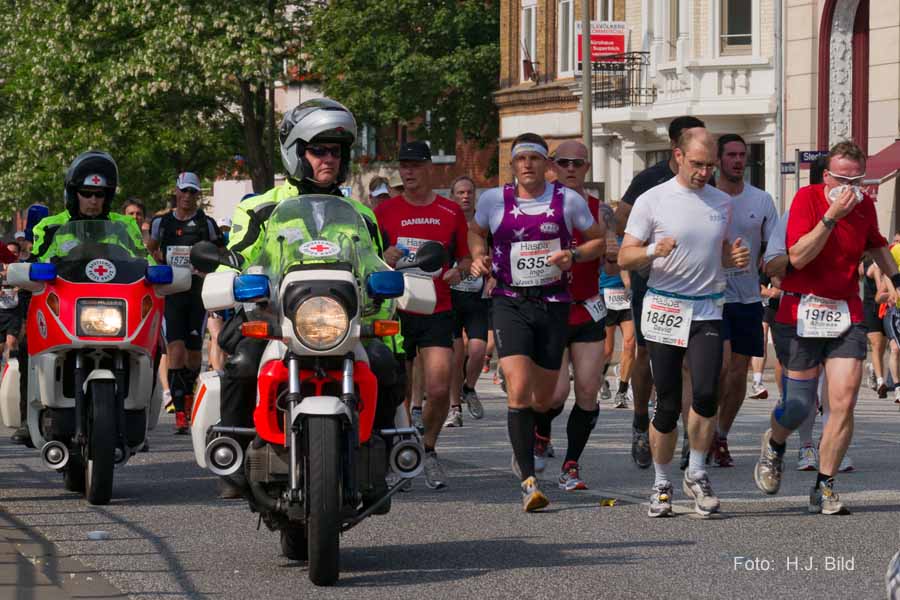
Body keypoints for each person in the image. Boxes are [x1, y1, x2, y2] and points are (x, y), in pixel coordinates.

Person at [217, 98, 405, 504]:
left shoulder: (360, 214)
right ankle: (231, 454)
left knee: (387, 364)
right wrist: (227, 279)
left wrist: (394, 286)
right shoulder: (260, 207)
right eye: (318, 150)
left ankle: (381, 461)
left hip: (342, 324)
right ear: (296, 152)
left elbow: (374, 264)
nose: (329, 160)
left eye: (335, 152)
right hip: (277, 322)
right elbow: (236, 259)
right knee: (243, 362)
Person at [753, 140, 900, 515]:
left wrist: (897, 279)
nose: (850, 188)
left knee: (844, 400)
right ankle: (775, 442)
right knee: (800, 405)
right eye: (841, 179)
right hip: (802, 308)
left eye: (857, 180)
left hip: (845, 310)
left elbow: (878, 246)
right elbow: (798, 257)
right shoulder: (807, 199)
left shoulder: (865, 206)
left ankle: (825, 484)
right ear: (826, 175)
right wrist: (832, 216)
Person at [469, 132, 605, 512]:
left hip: (554, 304)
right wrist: (479, 256)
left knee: (545, 398)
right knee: (518, 388)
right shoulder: (495, 200)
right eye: (521, 158)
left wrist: (573, 255)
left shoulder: (568, 201)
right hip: (510, 301)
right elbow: (476, 231)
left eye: (534, 158)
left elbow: (598, 239)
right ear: (513, 165)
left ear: (547, 165)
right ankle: (529, 481)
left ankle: (536, 435)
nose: (527, 164)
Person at [619, 129, 749, 518]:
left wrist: (732, 259)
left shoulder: (721, 202)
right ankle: (661, 483)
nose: (704, 173)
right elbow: (624, 256)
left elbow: (718, 250)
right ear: (678, 156)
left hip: (707, 308)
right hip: (665, 308)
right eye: (697, 164)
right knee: (669, 402)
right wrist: (649, 250)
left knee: (708, 392)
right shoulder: (652, 199)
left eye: (710, 166)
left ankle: (696, 471)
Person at [14, 152, 144, 446]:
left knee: (154, 344)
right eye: (86, 193)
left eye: (100, 194)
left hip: (114, 308)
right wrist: (28, 270)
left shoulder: (125, 226)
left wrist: (160, 272)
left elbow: (142, 260)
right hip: (66, 308)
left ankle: (139, 413)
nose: (93, 200)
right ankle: (26, 417)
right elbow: (37, 262)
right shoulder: (50, 226)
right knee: (25, 345)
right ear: (73, 193)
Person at [375, 140, 471, 490]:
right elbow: (370, 261)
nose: (408, 171)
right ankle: (400, 449)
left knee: (439, 385)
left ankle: (427, 448)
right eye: (403, 165)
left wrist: (460, 270)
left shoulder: (450, 211)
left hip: (437, 307)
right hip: (396, 308)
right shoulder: (384, 212)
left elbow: (463, 258)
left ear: (430, 168)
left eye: (415, 165)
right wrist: (384, 256)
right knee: (395, 385)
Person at [613, 116, 707, 471]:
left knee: (687, 364)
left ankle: (686, 437)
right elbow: (622, 224)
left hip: (696, 288)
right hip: (652, 280)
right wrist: (653, 246)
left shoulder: (706, 183)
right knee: (646, 353)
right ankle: (640, 420)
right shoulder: (649, 180)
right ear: (677, 149)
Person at [535, 140, 608, 491]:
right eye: (563, 162)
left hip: (588, 308)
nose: (570, 169)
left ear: (587, 168)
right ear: (552, 166)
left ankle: (571, 464)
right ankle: (540, 431)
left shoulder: (598, 210)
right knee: (554, 394)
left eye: (577, 164)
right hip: (549, 308)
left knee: (589, 391)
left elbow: (613, 249)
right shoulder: (538, 204)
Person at [709, 134, 779, 467]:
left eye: (742, 155)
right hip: (711, 294)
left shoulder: (761, 200)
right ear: (719, 159)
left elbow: (772, 247)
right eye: (731, 155)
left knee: (737, 373)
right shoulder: (705, 197)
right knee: (718, 367)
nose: (738, 160)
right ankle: (700, 432)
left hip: (748, 296)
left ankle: (720, 435)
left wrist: (775, 275)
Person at [148, 172, 225, 434]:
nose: (188, 197)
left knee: (193, 355)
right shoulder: (162, 223)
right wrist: (157, 266)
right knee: (175, 350)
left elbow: (221, 252)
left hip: (197, 294)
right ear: (176, 192)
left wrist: (209, 268)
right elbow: (150, 248)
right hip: (172, 293)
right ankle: (180, 411)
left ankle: (189, 397)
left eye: (194, 192)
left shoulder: (207, 223)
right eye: (185, 191)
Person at [446, 175, 487, 428]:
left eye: (469, 192)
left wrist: (492, 277)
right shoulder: (448, 222)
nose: (465, 196)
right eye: (460, 192)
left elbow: (495, 255)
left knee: (479, 350)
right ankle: (454, 408)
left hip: (477, 296)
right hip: (451, 296)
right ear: (453, 196)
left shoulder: (484, 224)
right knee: (455, 355)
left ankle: (469, 387)